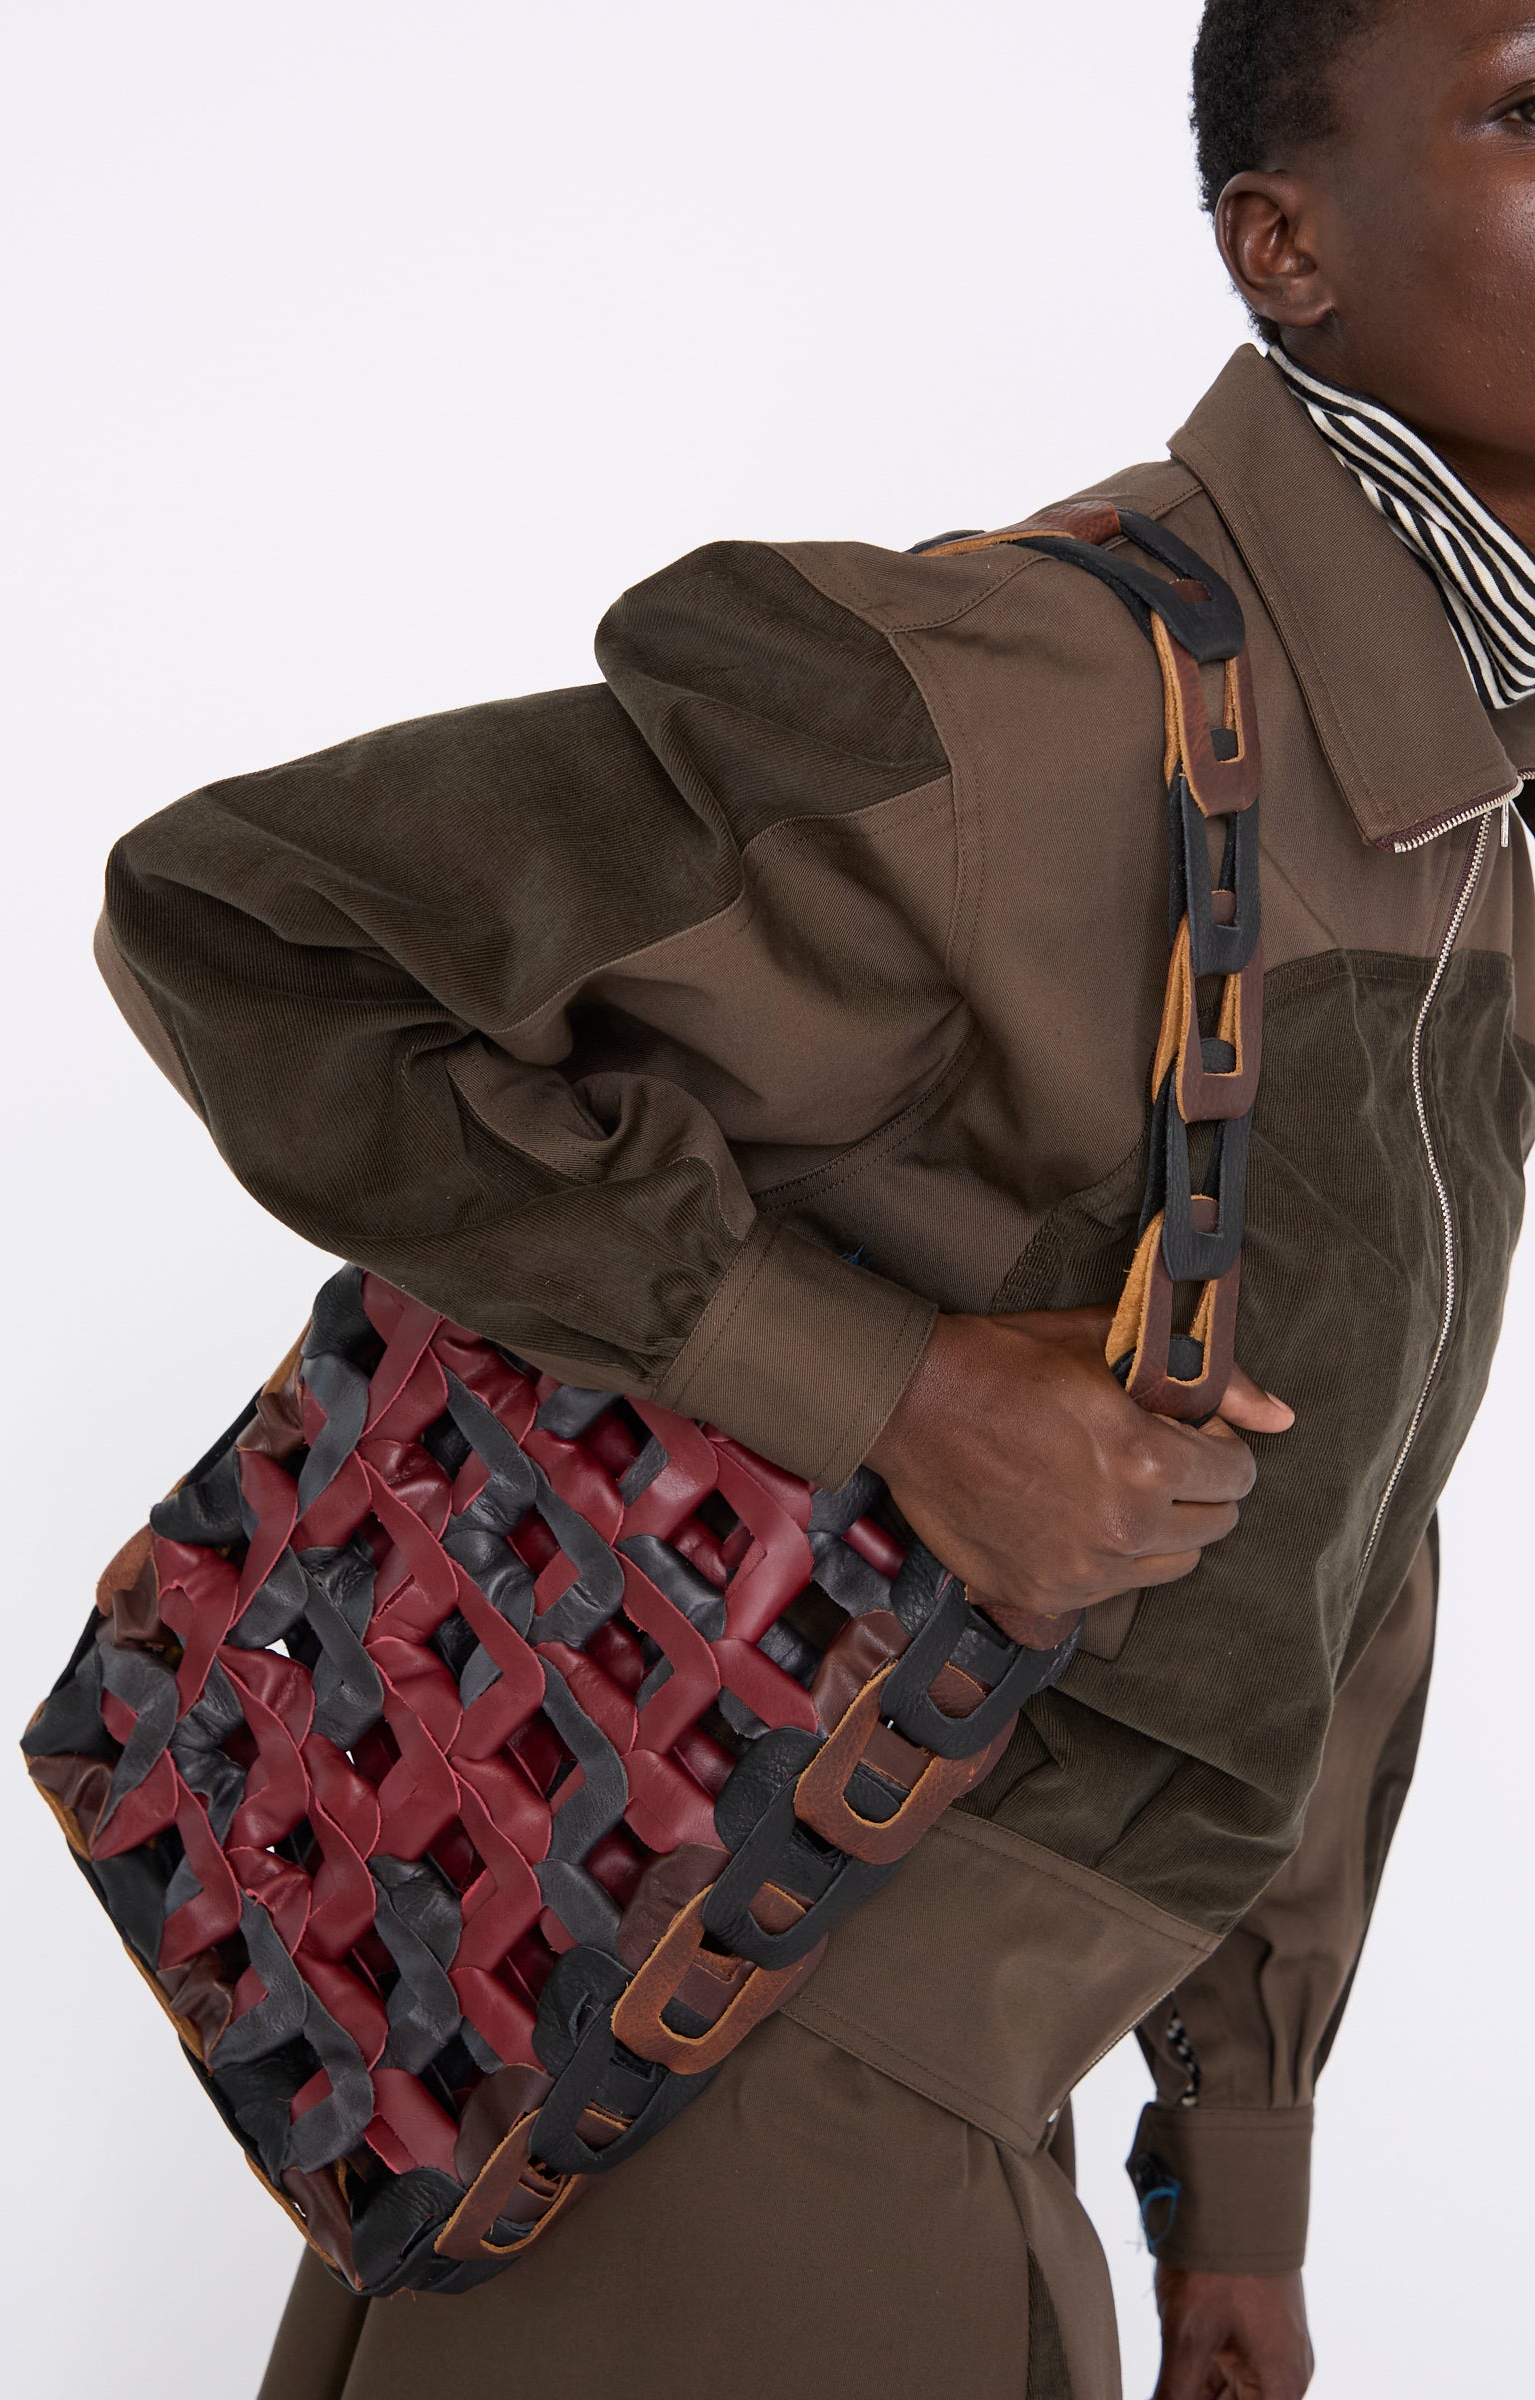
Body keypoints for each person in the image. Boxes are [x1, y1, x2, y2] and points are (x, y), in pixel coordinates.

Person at [93, 2, 1535, 2393]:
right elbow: (244, 922)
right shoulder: (1043, 696)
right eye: (1527, 104)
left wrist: (1236, 2177)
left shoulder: (1464, 801)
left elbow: (1339, 1518)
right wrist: (884, 1389)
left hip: (824, 2060)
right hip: (746, 2061)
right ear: (1280, 245)